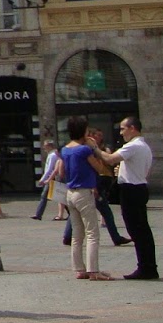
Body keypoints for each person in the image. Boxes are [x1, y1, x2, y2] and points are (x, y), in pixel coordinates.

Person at [100, 116, 158, 280]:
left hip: (132, 190)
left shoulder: (133, 146)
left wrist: (94, 149)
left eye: (123, 128)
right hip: (138, 188)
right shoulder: (143, 146)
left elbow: (110, 159)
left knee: (137, 230)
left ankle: (146, 268)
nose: (121, 132)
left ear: (133, 128)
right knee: (142, 230)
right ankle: (148, 266)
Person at [58, 115, 112, 282]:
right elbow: (99, 167)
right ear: (83, 131)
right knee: (92, 233)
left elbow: (61, 172)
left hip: (70, 192)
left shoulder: (65, 149)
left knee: (77, 233)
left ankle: (79, 269)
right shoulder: (84, 150)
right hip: (84, 192)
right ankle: (94, 270)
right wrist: (94, 148)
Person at [33, 141, 62, 220]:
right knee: (59, 197)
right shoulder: (51, 155)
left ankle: (38, 214)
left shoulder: (52, 156)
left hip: (51, 178)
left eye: (45, 146)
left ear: (50, 146)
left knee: (45, 196)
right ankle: (38, 214)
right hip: (51, 178)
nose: (43, 147)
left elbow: (49, 169)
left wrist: (43, 179)